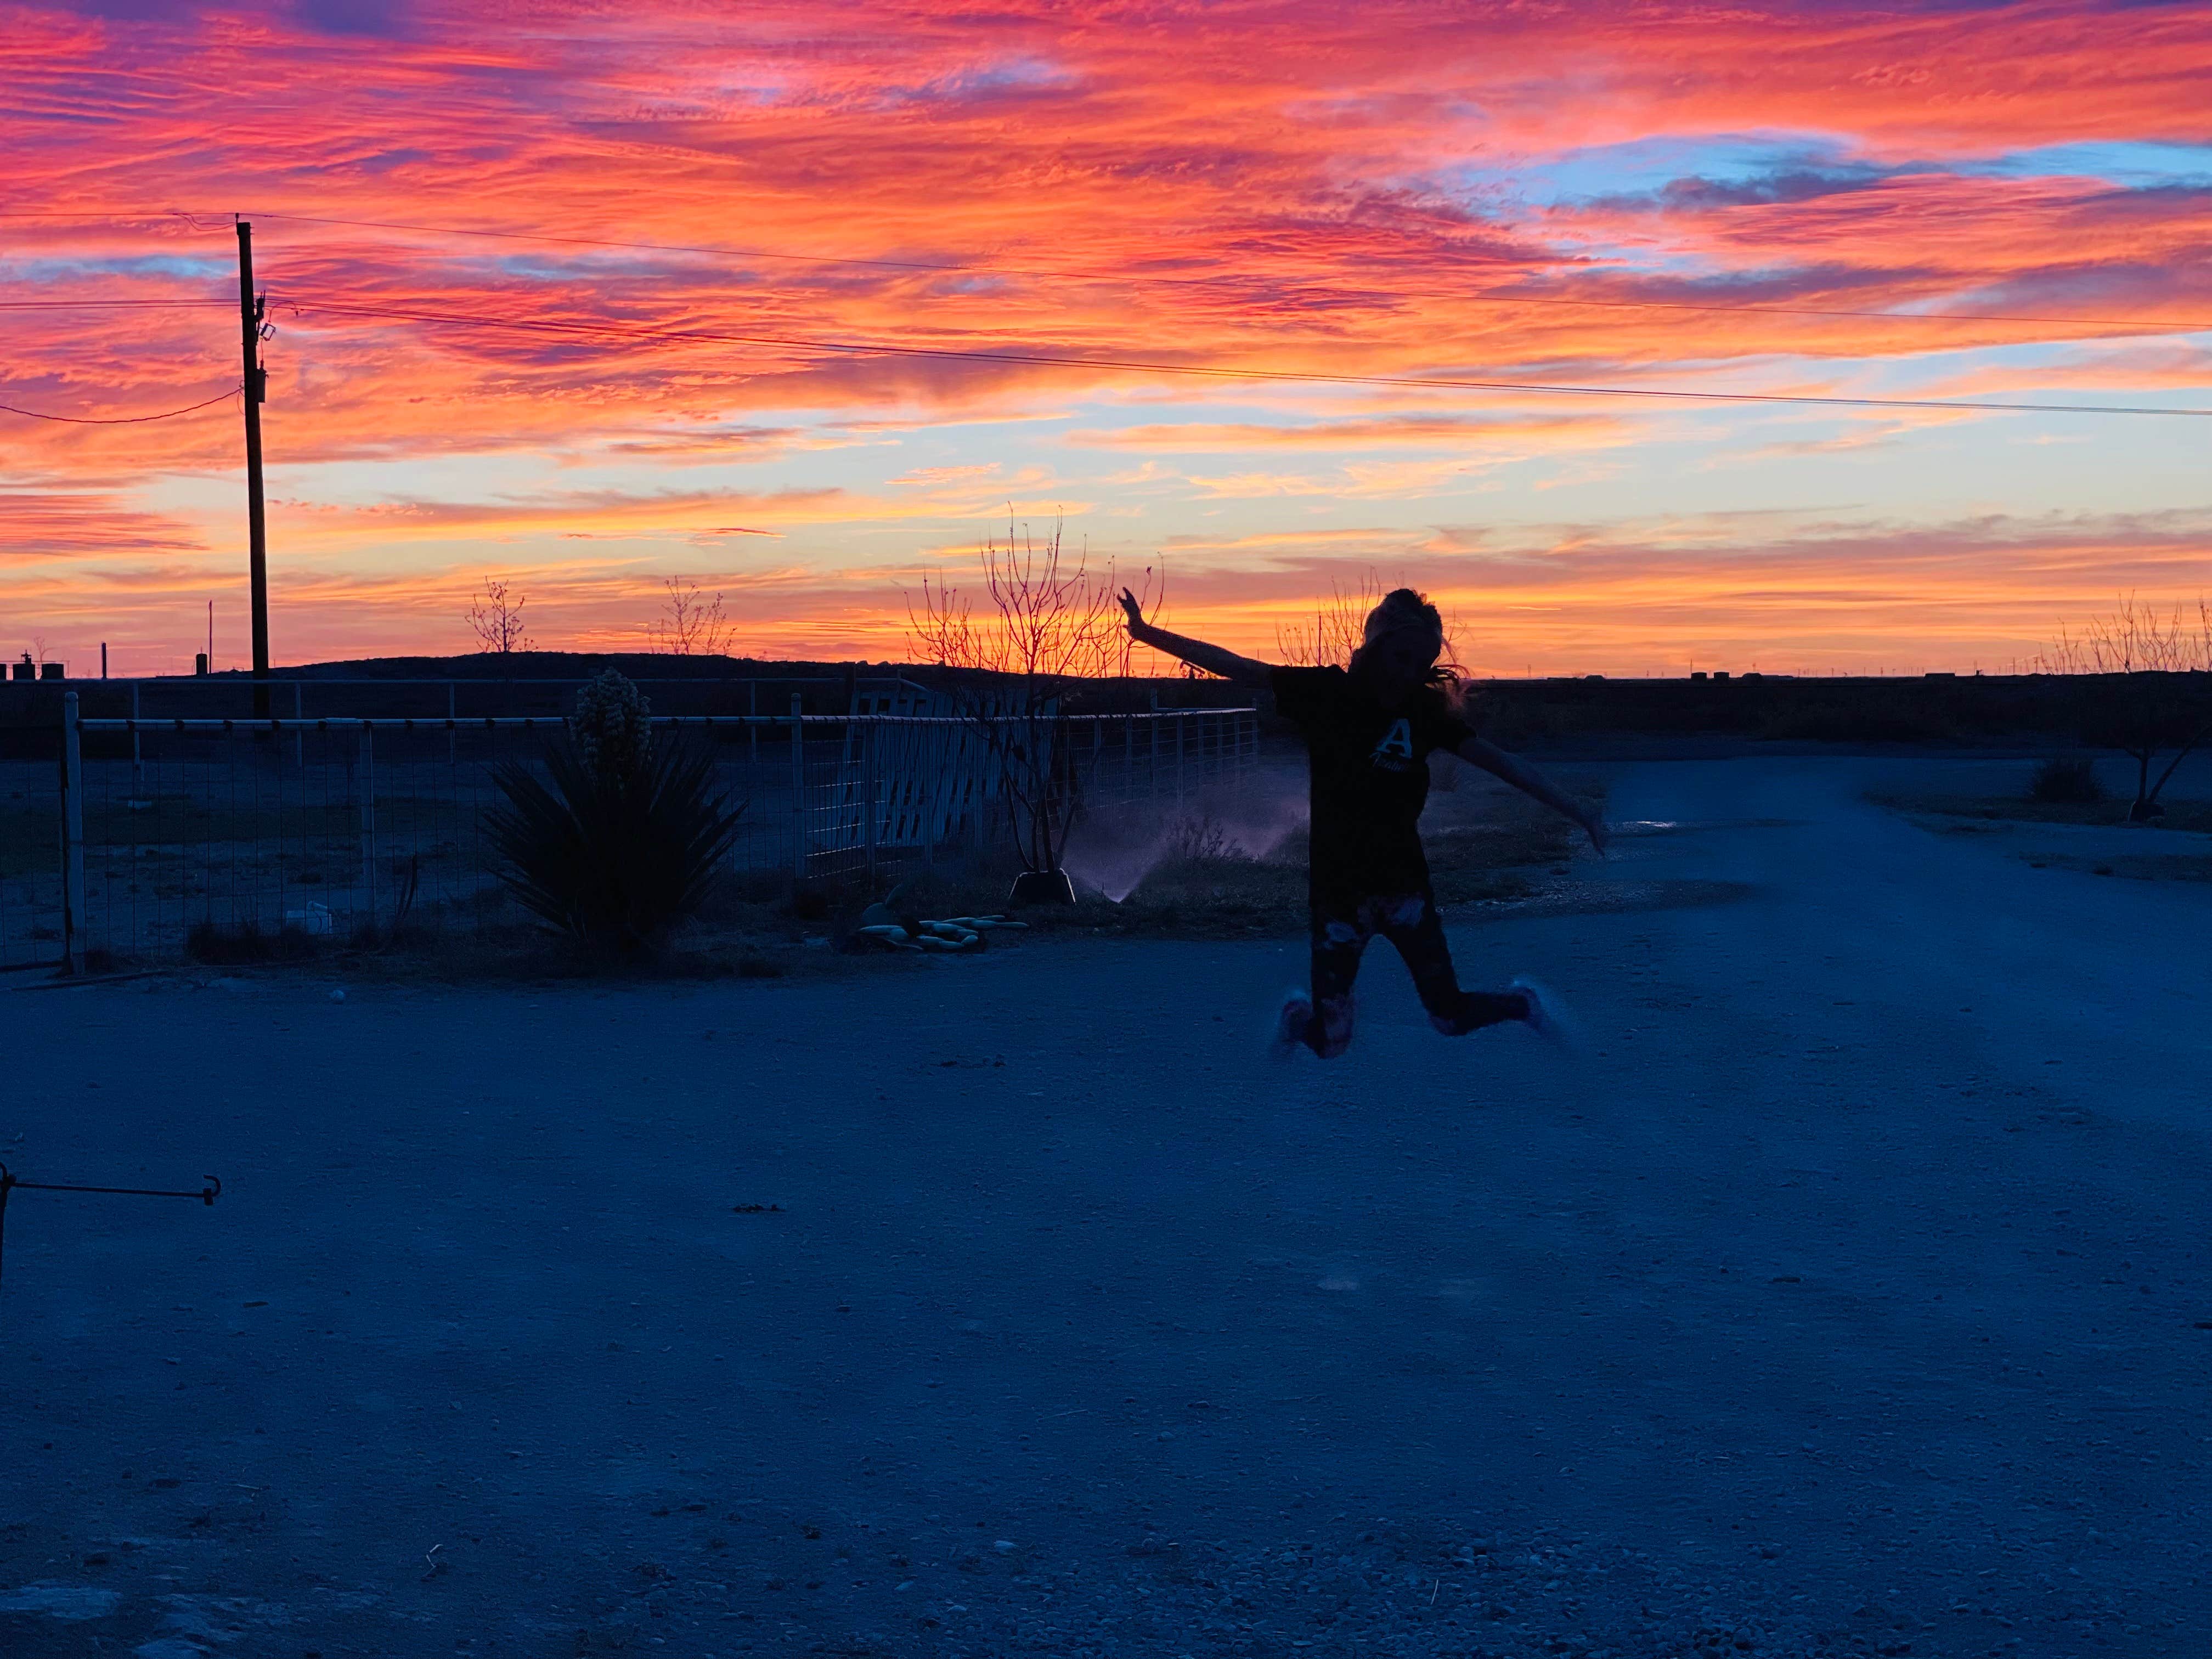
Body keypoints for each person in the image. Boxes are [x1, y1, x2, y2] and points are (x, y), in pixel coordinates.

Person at [1119, 585, 1607, 1058]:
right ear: (1376, 648)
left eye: (1422, 664)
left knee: (1449, 1017)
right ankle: (1297, 1019)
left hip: (1404, 889)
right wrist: (1147, 633)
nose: (1410, 674)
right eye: (1402, 659)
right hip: (1339, 895)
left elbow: (1505, 764)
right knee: (1331, 1043)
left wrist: (1579, 811)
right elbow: (1240, 668)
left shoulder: (1424, 713)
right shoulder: (1327, 694)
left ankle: (1521, 1005)